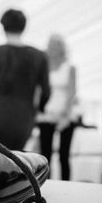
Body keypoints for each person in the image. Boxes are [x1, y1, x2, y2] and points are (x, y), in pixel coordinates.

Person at [0, 9, 50, 151]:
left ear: (3, 27)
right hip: (23, 118)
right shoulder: (40, 56)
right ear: (24, 27)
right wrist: (37, 109)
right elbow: (46, 92)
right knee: (13, 164)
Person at [36, 34, 76, 180]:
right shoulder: (43, 67)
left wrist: (65, 115)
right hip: (46, 115)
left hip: (66, 115)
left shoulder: (70, 68)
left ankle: (67, 185)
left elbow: (72, 93)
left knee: (64, 156)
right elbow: (39, 91)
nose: (52, 48)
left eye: (56, 45)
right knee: (45, 155)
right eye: (50, 45)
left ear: (61, 48)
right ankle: (46, 185)